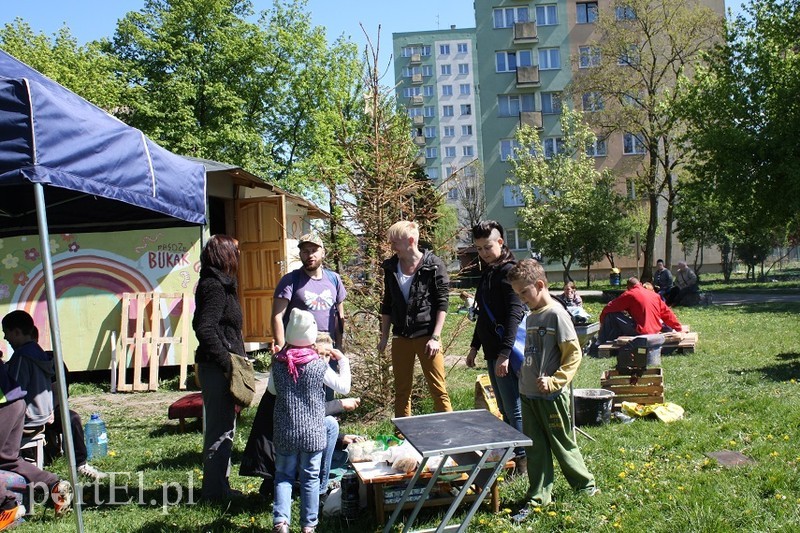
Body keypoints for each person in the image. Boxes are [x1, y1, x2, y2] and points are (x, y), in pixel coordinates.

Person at [506, 259, 598, 522]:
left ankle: (585, 486)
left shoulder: (556, 314)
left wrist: (556, 381)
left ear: (540, 284)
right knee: (535, 448)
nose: (522, 298)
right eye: (517, 294)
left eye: (525, 292)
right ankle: (538, 496)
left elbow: (573, 354)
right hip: (529, 394)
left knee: (561, 443)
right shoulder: (531, 314)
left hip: (552, 396)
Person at [268, 309, 351, 533]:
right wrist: (342, 360)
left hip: (285, 428)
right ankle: (309, 525)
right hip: (313, 431)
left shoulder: (278, 362)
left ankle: (281, 522)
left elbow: (272, 390)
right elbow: (344, 387)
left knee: (283, 476)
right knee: (310, 478)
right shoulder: (317, 365)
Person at [464, 221, 526, 470]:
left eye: (487, 247)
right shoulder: (489, 271)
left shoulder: (510, 272)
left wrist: (505, 353)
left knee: (514, 408)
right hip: (492, 351)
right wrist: (473, 347)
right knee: (502, 406)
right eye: (479, 249)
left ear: (500, 242)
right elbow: (482, 314)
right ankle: (514, 454)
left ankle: (523, 461)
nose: (483, 253)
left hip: (506, 352)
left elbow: (515, 313)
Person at [378, 221, 452, 419]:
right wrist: (384, 337)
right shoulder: (391, 267)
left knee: (438, 388)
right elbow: (387, 304)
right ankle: (402, 438)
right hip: (400, 336)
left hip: (427, 336)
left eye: (395, 242)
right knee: (402, 391)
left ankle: (450, 433)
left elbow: (443, 303)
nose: (392, 247)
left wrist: (435, 337)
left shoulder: (434, 265)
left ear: (411, 241)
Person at [192, 234, 246, 502]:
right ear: (224, 254)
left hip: (221, 367)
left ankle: (220, 487)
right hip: (216, 369)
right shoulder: (213, 285)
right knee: (219, 430)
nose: (239, 256)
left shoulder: (221, 284)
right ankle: (213, 494)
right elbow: (204, 327)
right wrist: (226, 364)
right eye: (235, 251)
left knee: (226, 427)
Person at [0, 351, 72, 518]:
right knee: (8, 459)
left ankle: (6, 505)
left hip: (3, 404)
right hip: (15, 402)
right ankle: (55, 485)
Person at [272, 233, 346, 353]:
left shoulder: (334, 279)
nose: (310, 255)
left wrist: (339, 345)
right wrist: (281, 348)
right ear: (300, 254)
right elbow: (277, 316)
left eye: (314, 250)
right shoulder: (290, 280)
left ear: (323, 252)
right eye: (305, 251)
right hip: (300, 351)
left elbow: (339, 316)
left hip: (328, 350)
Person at [2, 311, 54, 440]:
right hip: (43, 415)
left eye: (6, 332)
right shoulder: (38, 351)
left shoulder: (22, 356)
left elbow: (14, 392)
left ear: (17, 332)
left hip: (28, 420)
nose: (5, 338)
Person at [597, 277, 682, 345]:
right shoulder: (654, 295)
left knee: (610, 314)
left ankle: (602, 340)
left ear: (628, 287)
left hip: (641, 332)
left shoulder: (629, 294)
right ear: (640, 284)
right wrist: (678, 327)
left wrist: (601, 322)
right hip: (655, 330)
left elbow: (608, 308)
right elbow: (667, 313)